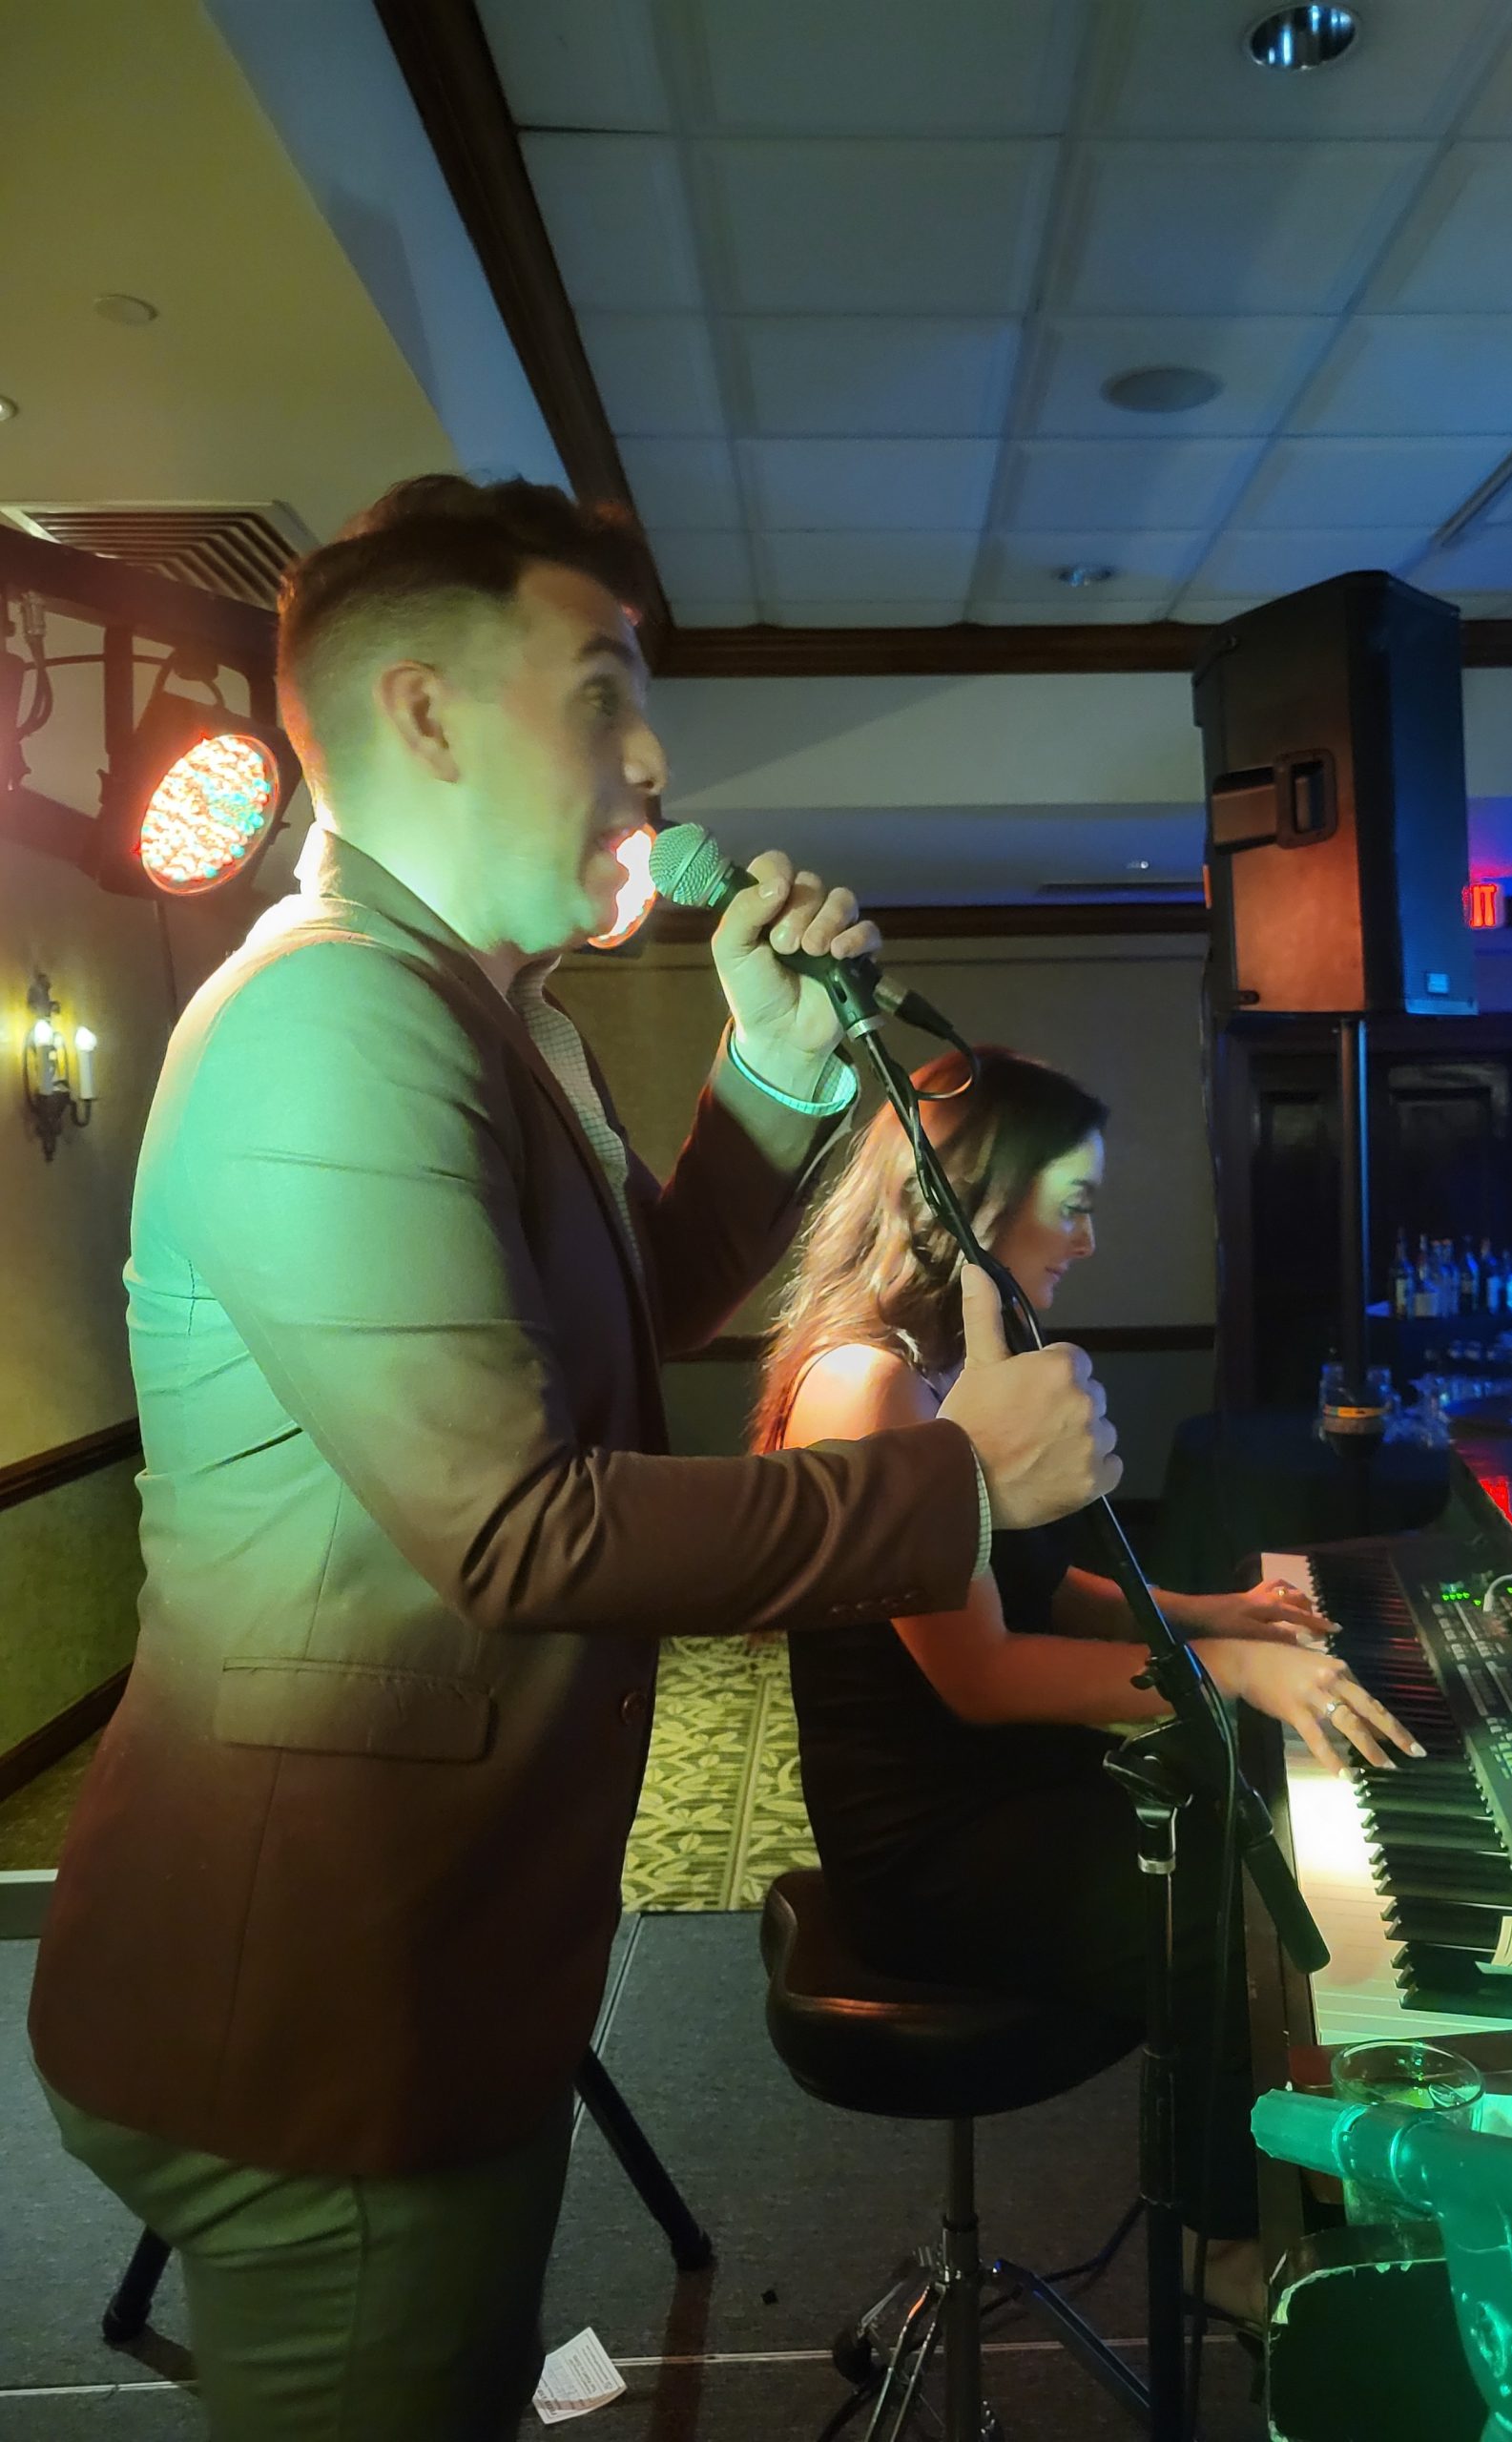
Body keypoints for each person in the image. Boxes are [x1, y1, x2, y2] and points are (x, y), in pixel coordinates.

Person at [28, 478, 1119, 2441]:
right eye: (604, 688)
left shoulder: (495, 1019)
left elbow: (634, 1305)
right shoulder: (332, 1020)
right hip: (320, 1997)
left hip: (433, 1956)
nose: (653, 759)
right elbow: (520, 1525)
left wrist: (770, 1064)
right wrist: (958, 1484)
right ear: (426, 714)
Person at [757, 1045, 1422, 2326]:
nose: (1089, 1240)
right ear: (968, 1200)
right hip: (933, 1846)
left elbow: (1039, 1585)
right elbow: (984, 1674)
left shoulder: (950, 1359)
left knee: (1249, 1840)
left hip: (1003, 1791)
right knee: (1229, 1909)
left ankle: (1277, 2198)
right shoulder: (866, 1380)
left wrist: (1214, 1614)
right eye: (1073, 1204)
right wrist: (1224, 1672)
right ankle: (1219, 2241)